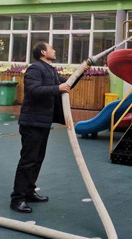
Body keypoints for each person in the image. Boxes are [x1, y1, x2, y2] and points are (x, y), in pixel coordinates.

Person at [10, 41, 89, 213]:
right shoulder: (35, 69)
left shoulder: (50, 70)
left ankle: (29, 192)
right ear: (43, 52)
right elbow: (33, 90)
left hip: (42, 123)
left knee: (37, 160)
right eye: (51, 48)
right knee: (28, 161)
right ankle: (17, 199)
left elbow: (68, 84)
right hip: (32, 123)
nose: (54, 50)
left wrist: (81, 71)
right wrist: (57, 88)